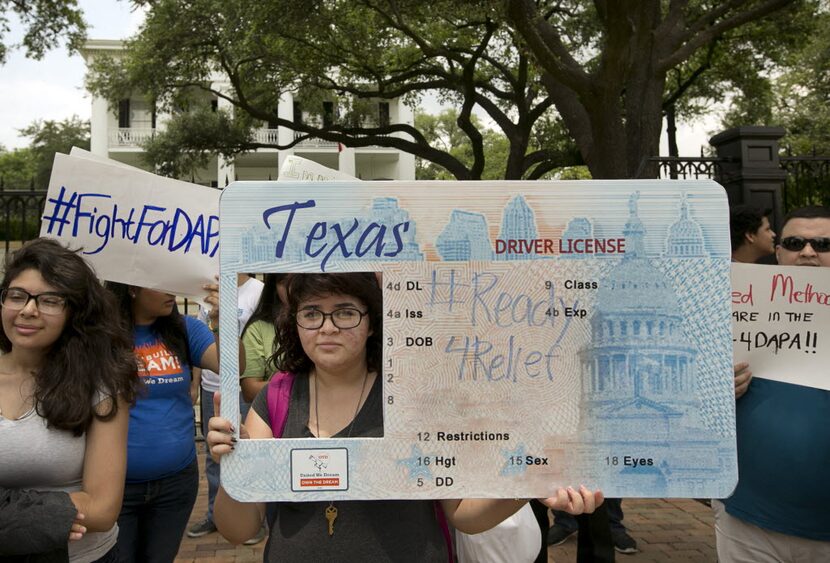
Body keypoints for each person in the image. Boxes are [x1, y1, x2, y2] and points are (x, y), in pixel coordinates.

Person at [207, 272, 603, 561]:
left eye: (345, 313)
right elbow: (238, 530)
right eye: (312, 314)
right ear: (296, 323)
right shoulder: (276, 397)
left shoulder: (417, 396)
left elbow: (463, 512)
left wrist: (531, 481)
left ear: (372, 322)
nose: (327, 328)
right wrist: (233, 467)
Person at [0, 238, 139, 562]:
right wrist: (50, 513)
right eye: (17, 296)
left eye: (49, 300)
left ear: (74, 312)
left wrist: (21, 515)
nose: (28, 309)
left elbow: (102, 509)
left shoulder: (102, 384)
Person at [716, 205, 830, 562]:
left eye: (823, 243)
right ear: (779, 251)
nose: (808, 252)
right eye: (796, 242)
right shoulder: (733, 307)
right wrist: (714, 389)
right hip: (749, 518)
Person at [107, 280, 226, 562]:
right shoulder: (102, 335)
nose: (172, 291)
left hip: (176, 485)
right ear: (133, 288)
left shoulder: (186, 329)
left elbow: (233, 366)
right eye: (160, 284)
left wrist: (223, 322)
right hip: (116, 487)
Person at [187, 273, 264, 543]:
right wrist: (195, 383)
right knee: (214, 454)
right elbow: (198, 344)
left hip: (240, 385)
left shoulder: (257, 290)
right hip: (212, 385)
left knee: (245, 449)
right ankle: (213, 513)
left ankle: (253, 515)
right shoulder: (205, 291)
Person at [239, 273, 288, 403]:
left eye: (300, 279)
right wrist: (296, 385)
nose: (292, 287)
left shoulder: (325, 325)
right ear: (274, 286)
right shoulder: (258, 328)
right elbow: (249, 390)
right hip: (275, 413)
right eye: (284, 280)